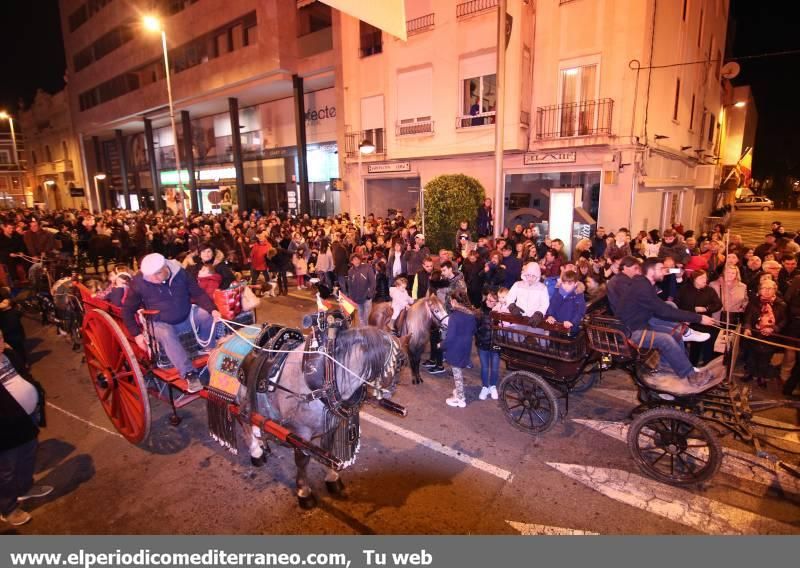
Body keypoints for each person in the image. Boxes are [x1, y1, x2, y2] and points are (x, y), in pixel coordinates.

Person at [123, 253, 221, 394]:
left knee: (205, 316)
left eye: (156, 274)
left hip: (186, 315)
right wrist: (137, 335)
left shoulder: (180, 273)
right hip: (160, 322)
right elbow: (127, 310)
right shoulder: (139, 282)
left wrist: (212, 310)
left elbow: (198, 293)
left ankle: (207, 349)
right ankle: (189, 374)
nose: (152, 279)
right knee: (166, 333)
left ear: (165, 268)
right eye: (149, 276)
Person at [613, 258, 717, 385]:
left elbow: (662, 308)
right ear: (651, 271)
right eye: (661, 269)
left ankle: (665, 372)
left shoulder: (644, 283)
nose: (664, 271)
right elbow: (663, 311)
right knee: (666, 340)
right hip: (630, 332)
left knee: (675, 333)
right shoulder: (642, 287)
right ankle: (691, 375)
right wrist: (699, 318)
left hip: (640, 324)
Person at [0, 330, 50, 527]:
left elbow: (24, 375)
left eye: (2, 336)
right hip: (5, 427)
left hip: (26, 418)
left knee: (28, 453)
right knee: (6, 469)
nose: (2, 341)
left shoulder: (8, 355)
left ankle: (25, 488)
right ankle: (8, 509)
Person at [743, 279, 787, 388]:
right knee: (751, 356)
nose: (767, 291)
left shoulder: (781, 304)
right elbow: (747, 316)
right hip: (755, 334)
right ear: (760, 290)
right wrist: (747, 328)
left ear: (775, 290)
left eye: (770, 288)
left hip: (771, 337)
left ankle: (761, 377)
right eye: (764, 288)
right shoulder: (753, 302)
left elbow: (785, 320)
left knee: (765, 358)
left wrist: (774, 328)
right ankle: (749, 372)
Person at [676, 270, 722, 366]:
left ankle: (701, 365)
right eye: (701, 278)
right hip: (687, 323)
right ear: (694, 280)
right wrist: (693, 309)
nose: (705, 280)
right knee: (686, 347)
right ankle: (686, 365)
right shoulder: (684, 289)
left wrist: (706, 308)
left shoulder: (710, 290)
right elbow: (678, 305)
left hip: (703, 323)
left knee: (703, 346)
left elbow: (718, 304)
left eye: (705, 277)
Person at [442, 290, 477, 408]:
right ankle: (459, 391)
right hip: (466, 346)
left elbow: (450, 337)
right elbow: (473, 331)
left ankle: (460, 399)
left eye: (451, 300)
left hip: (455, 348)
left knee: (457, 373)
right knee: (459, 372)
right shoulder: (471, 314)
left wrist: (441, 345)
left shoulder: (454, 316)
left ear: (455, 301)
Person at [475, 291, 500, 401]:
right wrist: (479, 336)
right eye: (487, 299)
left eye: (491, 301)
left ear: (497, 302)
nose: (488, 302)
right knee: (485, 367)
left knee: (495, 368)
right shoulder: (479, 312)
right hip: (482, 343)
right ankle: (485, 386)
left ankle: (493, 386)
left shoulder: (500, 312)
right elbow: (475, 328)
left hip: (496, 345)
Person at [545, 270, 587, 335]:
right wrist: (550, 315)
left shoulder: (578, 295)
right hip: (556, 325)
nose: (566, 286)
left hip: (570, 328)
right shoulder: (557, 292)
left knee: (568, 343)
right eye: (564, 283)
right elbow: (552, 305)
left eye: (569, 284)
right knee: (554, 343)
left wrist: (572, 322)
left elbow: (580, 311)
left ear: (575, 284)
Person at [346, 253, 376, 327]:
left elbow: (373, 282)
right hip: (357, 299)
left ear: (360, 260)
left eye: (357, 259)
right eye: (354, 260)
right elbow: (349, 286)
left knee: (367, 317)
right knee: (360, 317)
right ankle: (364, 331)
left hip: (367, 298)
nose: (356, 261)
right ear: (351, 261)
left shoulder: (367, 267)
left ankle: (369, 331)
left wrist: (369, 295)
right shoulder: (350, 271)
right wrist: (351, 297)